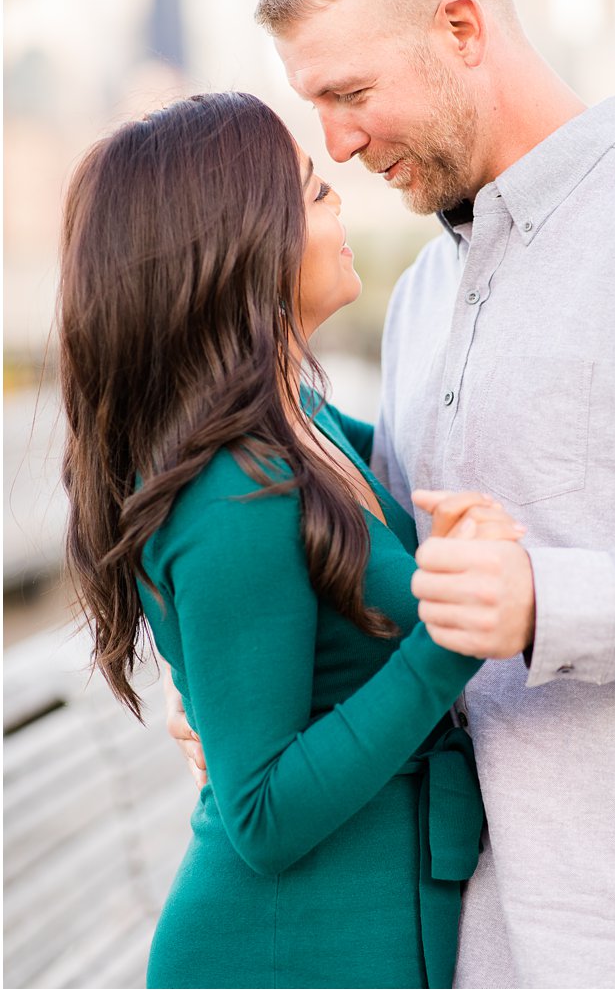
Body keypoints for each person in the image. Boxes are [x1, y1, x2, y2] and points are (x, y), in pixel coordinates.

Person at [173, 0, 615, 988]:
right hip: (472, 930)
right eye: (315, 109)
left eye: (349, 92)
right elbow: (373, 585)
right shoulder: (418, 299)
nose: (337, 145)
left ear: (459, 28)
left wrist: (547, 598)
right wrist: (229, 696)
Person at [59, 92, 521, 988]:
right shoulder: (237, 488)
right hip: (279, 952)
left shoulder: (304, 426)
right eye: (312, 194)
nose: (340, 200)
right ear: (238, 246)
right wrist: (450, 639)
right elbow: (260, 810)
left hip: (365, 932)